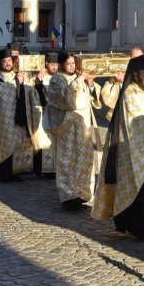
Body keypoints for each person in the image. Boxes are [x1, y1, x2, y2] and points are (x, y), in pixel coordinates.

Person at [92, 54, 144, 242]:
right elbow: (138, 126)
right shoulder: (130, 94)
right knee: (140, 191)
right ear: (136, 75)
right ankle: (142, 229)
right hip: (134, 152)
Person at [48, 51, 102, 210]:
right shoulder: (57, 79)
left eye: (73, 63)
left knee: (84, 159)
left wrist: (91, 85)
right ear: (62, 65)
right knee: (68, 160)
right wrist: (79, 80)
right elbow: (64, 99)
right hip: (67, 127)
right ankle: (68, 195)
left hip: (83, 125)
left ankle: (82, 193)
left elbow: (92, 97)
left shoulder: (81, 78)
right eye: (69, 64)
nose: (72, 66)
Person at [0, 49, 35, 182]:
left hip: (19, 114)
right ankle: (3, 174)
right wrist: (16, 82)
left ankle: (16, 171)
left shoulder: (16, 74)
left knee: (19, 142)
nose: (8, 63)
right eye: (4, 61)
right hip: (4, 118)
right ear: (0, 63)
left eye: (9, 60)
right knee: (6, 143)